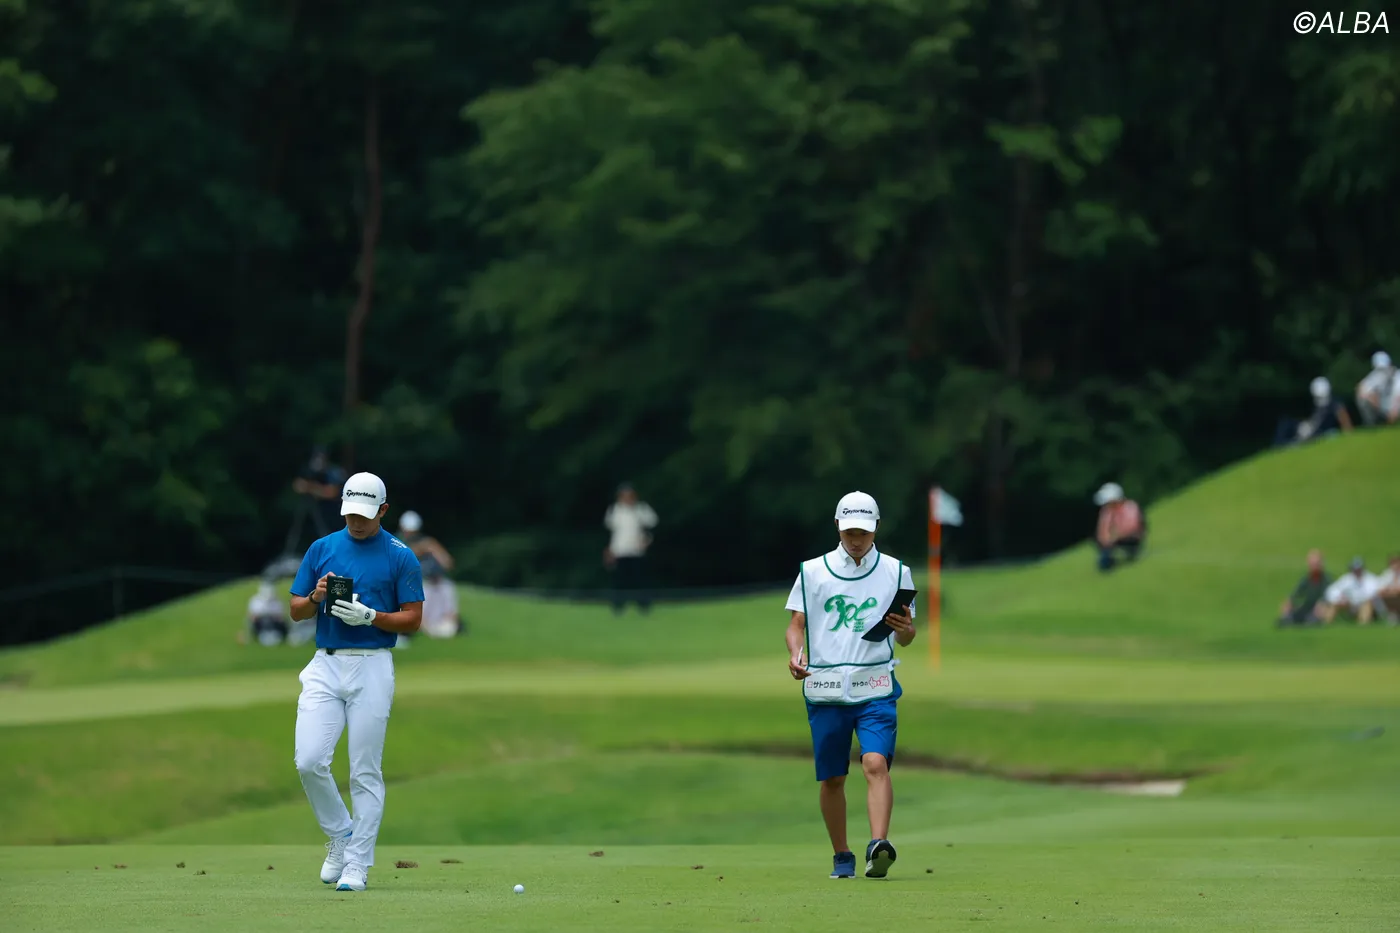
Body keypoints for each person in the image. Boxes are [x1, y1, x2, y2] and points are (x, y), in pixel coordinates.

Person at [288, 471, 424, 893]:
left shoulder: (400, 555)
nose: (357, 522)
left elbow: (413, 619)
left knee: (365, 770)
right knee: (309, 760)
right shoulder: (322, 548)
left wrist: (371, 617)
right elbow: (295, 610)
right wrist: (316, 597)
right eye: (350, 513)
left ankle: (357, 864)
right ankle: (341, 834)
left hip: (372, 665)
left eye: (365, 514)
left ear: (383, 510)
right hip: (325, 664)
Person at [784, 491, 917, 881]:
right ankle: (842, 854)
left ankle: (878, 846)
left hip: (875, 685)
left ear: (876, 528)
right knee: (833, 778)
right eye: (849, 532)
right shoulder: (813, 571)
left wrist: (906, 630)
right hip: (825, 688)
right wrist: (796, 654)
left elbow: (906, 636)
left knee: (875, 763)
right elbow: (796, 625)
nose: (856, 540)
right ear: (838, 528)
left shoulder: (897, 572)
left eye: (863, 532)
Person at [398, 511, 462, 638]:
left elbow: (447, 563)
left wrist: (431, 548)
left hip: (428, 582)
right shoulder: (396, 542)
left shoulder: (428, 543)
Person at [603, 483, 658, 614]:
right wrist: (609, 550)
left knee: (639, 579)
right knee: (620, 580)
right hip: (620, 551)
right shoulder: (614, 510)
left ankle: (643, 605)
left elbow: (653, 525)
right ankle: (618, 606)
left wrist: (647, 540)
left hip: (637, 551)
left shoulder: (641, 509)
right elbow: (612, 532)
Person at [1273, 377, 1353, 447]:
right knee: (1285, 422)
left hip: (1321, 432)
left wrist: (1347, 432)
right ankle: (1279, 445)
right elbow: (1315, 419)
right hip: (1312, 427)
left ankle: (1290, 444)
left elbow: (1344, 421)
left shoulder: (1335, 404)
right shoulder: (1318, 405)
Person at [292, 447, 349, 538]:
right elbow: (298, 486)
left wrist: (311, 487)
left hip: (335, 514)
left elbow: (331, 492)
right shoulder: (311, 472)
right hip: (318, 514)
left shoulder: (334, 472)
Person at [1093, 483, 1146, 572]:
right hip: (1117, 539)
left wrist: (1113, 538)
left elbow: (1132, 527)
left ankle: (1131, 552)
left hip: (1132, 538)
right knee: (1102, 550)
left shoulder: (1130, 507)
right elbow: (1102, 530)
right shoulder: (1107, 512)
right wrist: (1106, 539)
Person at [1315, 556, 1382, 625]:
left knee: (1367, 604)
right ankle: (1327, 623)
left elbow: (1372, 594)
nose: (1357, 572)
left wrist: (1354, 599)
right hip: (1349, 605)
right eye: (1355, 570)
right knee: (1334, 605)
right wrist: (1340, 598)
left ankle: (1363, 624)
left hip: (1363, 604)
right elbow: (1332, 591)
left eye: (1358, 570)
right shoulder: (1347, 579)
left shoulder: (1370, 579)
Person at [1276, 549, 1330, 627]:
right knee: (1294, 609)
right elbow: (1296, 594)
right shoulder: (1306, 579)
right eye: (1312, 564)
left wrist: (1321, 603)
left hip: (1320, 607)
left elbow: (1328, 596)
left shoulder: (1326, 580)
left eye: (1316, 564)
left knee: (1319, 609)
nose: (1314, 567)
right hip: (1308, 606)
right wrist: (1289, 601)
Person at [1355, 351, 1397, 427]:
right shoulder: (1375, 377)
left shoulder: (1396, 376)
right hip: (1379, 406)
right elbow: (1363, 390)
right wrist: (1382, 410)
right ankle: (1373, 424)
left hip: (1390, 404)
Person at [245, 580, 291, 646]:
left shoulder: (277, 601)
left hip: (275, 625)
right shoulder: (255, 601)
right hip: (260, 625)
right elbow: (252, 617)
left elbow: (281, 617)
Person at [1371, 554, 1400, 624]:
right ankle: (1389, 615)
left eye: (1396, 563)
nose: (1395, 565)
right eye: (1393, 563)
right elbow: (1380, 589)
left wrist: (1391, 590)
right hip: (1389, 599)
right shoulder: (1387, 574)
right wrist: (1392, 591)